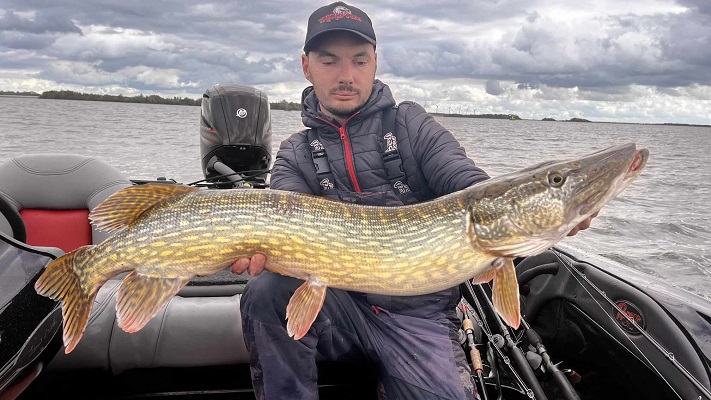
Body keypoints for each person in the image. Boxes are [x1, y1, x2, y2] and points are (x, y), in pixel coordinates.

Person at [232, 2, 597, 399]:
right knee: (266, 291)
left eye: (359, 60)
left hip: (421, 318)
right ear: (307, 67)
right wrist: (256, 251)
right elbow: (282, 224)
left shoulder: (411, 126)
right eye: (329, 61)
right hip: (339, 308)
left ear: (374, 63)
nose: (346, 75)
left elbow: (469, 183)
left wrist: (549, 216)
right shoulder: (296, 153)